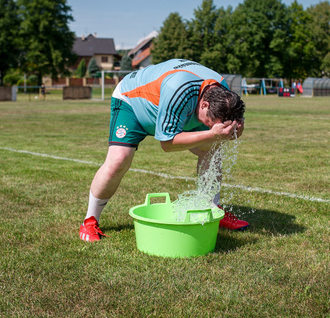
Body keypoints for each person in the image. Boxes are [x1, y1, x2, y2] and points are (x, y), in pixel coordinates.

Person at [79, 59, 248, 242]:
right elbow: (167, 143)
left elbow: (231, 125)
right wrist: (212, 134)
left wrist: (236, 130)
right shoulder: (179, 88)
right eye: (208, 122)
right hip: (133, 103)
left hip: (176, 106)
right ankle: (90, 220)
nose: (208, 127)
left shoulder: (225, 95)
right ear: (205, 105)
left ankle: (213, 209)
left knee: (213, 151)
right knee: (118, 160)